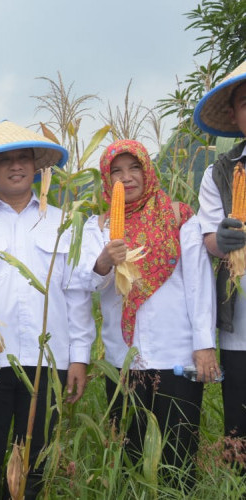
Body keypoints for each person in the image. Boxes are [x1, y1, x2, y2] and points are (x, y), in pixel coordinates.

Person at [0, 120, 94, 499]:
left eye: (23, 157)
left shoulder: (62, 222)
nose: (15, 166)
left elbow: (76, 294)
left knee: (37, 458)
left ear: (35, 166)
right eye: (4, 160)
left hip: (48, 361)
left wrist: (79, 357)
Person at [80, 139, 219, 486]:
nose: (127, 178)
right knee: (128, 458)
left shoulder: (178, 216)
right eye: (116, 171)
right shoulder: (96, 227)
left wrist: (204, 345)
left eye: (135, 168)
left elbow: (198, 285)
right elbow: (85, 285)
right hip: (123, 360)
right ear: (105, 179)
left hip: (179, 355)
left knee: (179, 457)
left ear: (148, 170)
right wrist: (103, 262)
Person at [194, 60, 246, 442]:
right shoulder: (221, 172)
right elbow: (209, 237)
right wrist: (221, 240)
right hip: (239, 328)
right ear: (233, 114)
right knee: (239, 429)